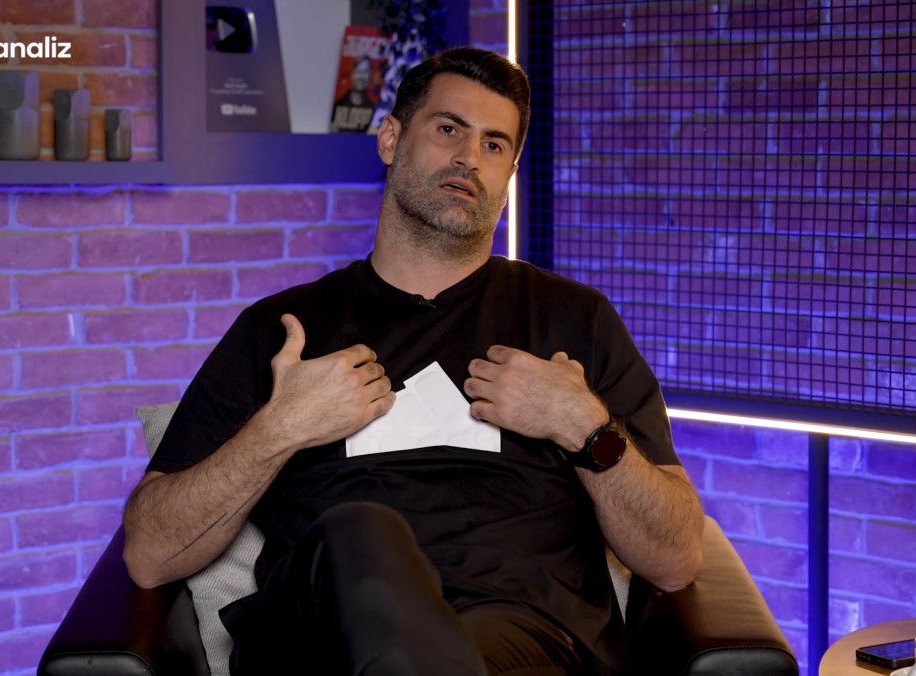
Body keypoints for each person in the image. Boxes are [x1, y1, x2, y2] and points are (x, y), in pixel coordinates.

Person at [123, 47, 704, 675]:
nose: (469, 158)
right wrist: (280, 428)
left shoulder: (574, 322)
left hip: (521, 640)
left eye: (493, 145)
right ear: (391, 139)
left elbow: (675, 559)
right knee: (359, 533)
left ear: (509, 173)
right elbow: (150, 552)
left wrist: (585, 428)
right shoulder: (283, 330)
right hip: (323, 638)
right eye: (449, 129)